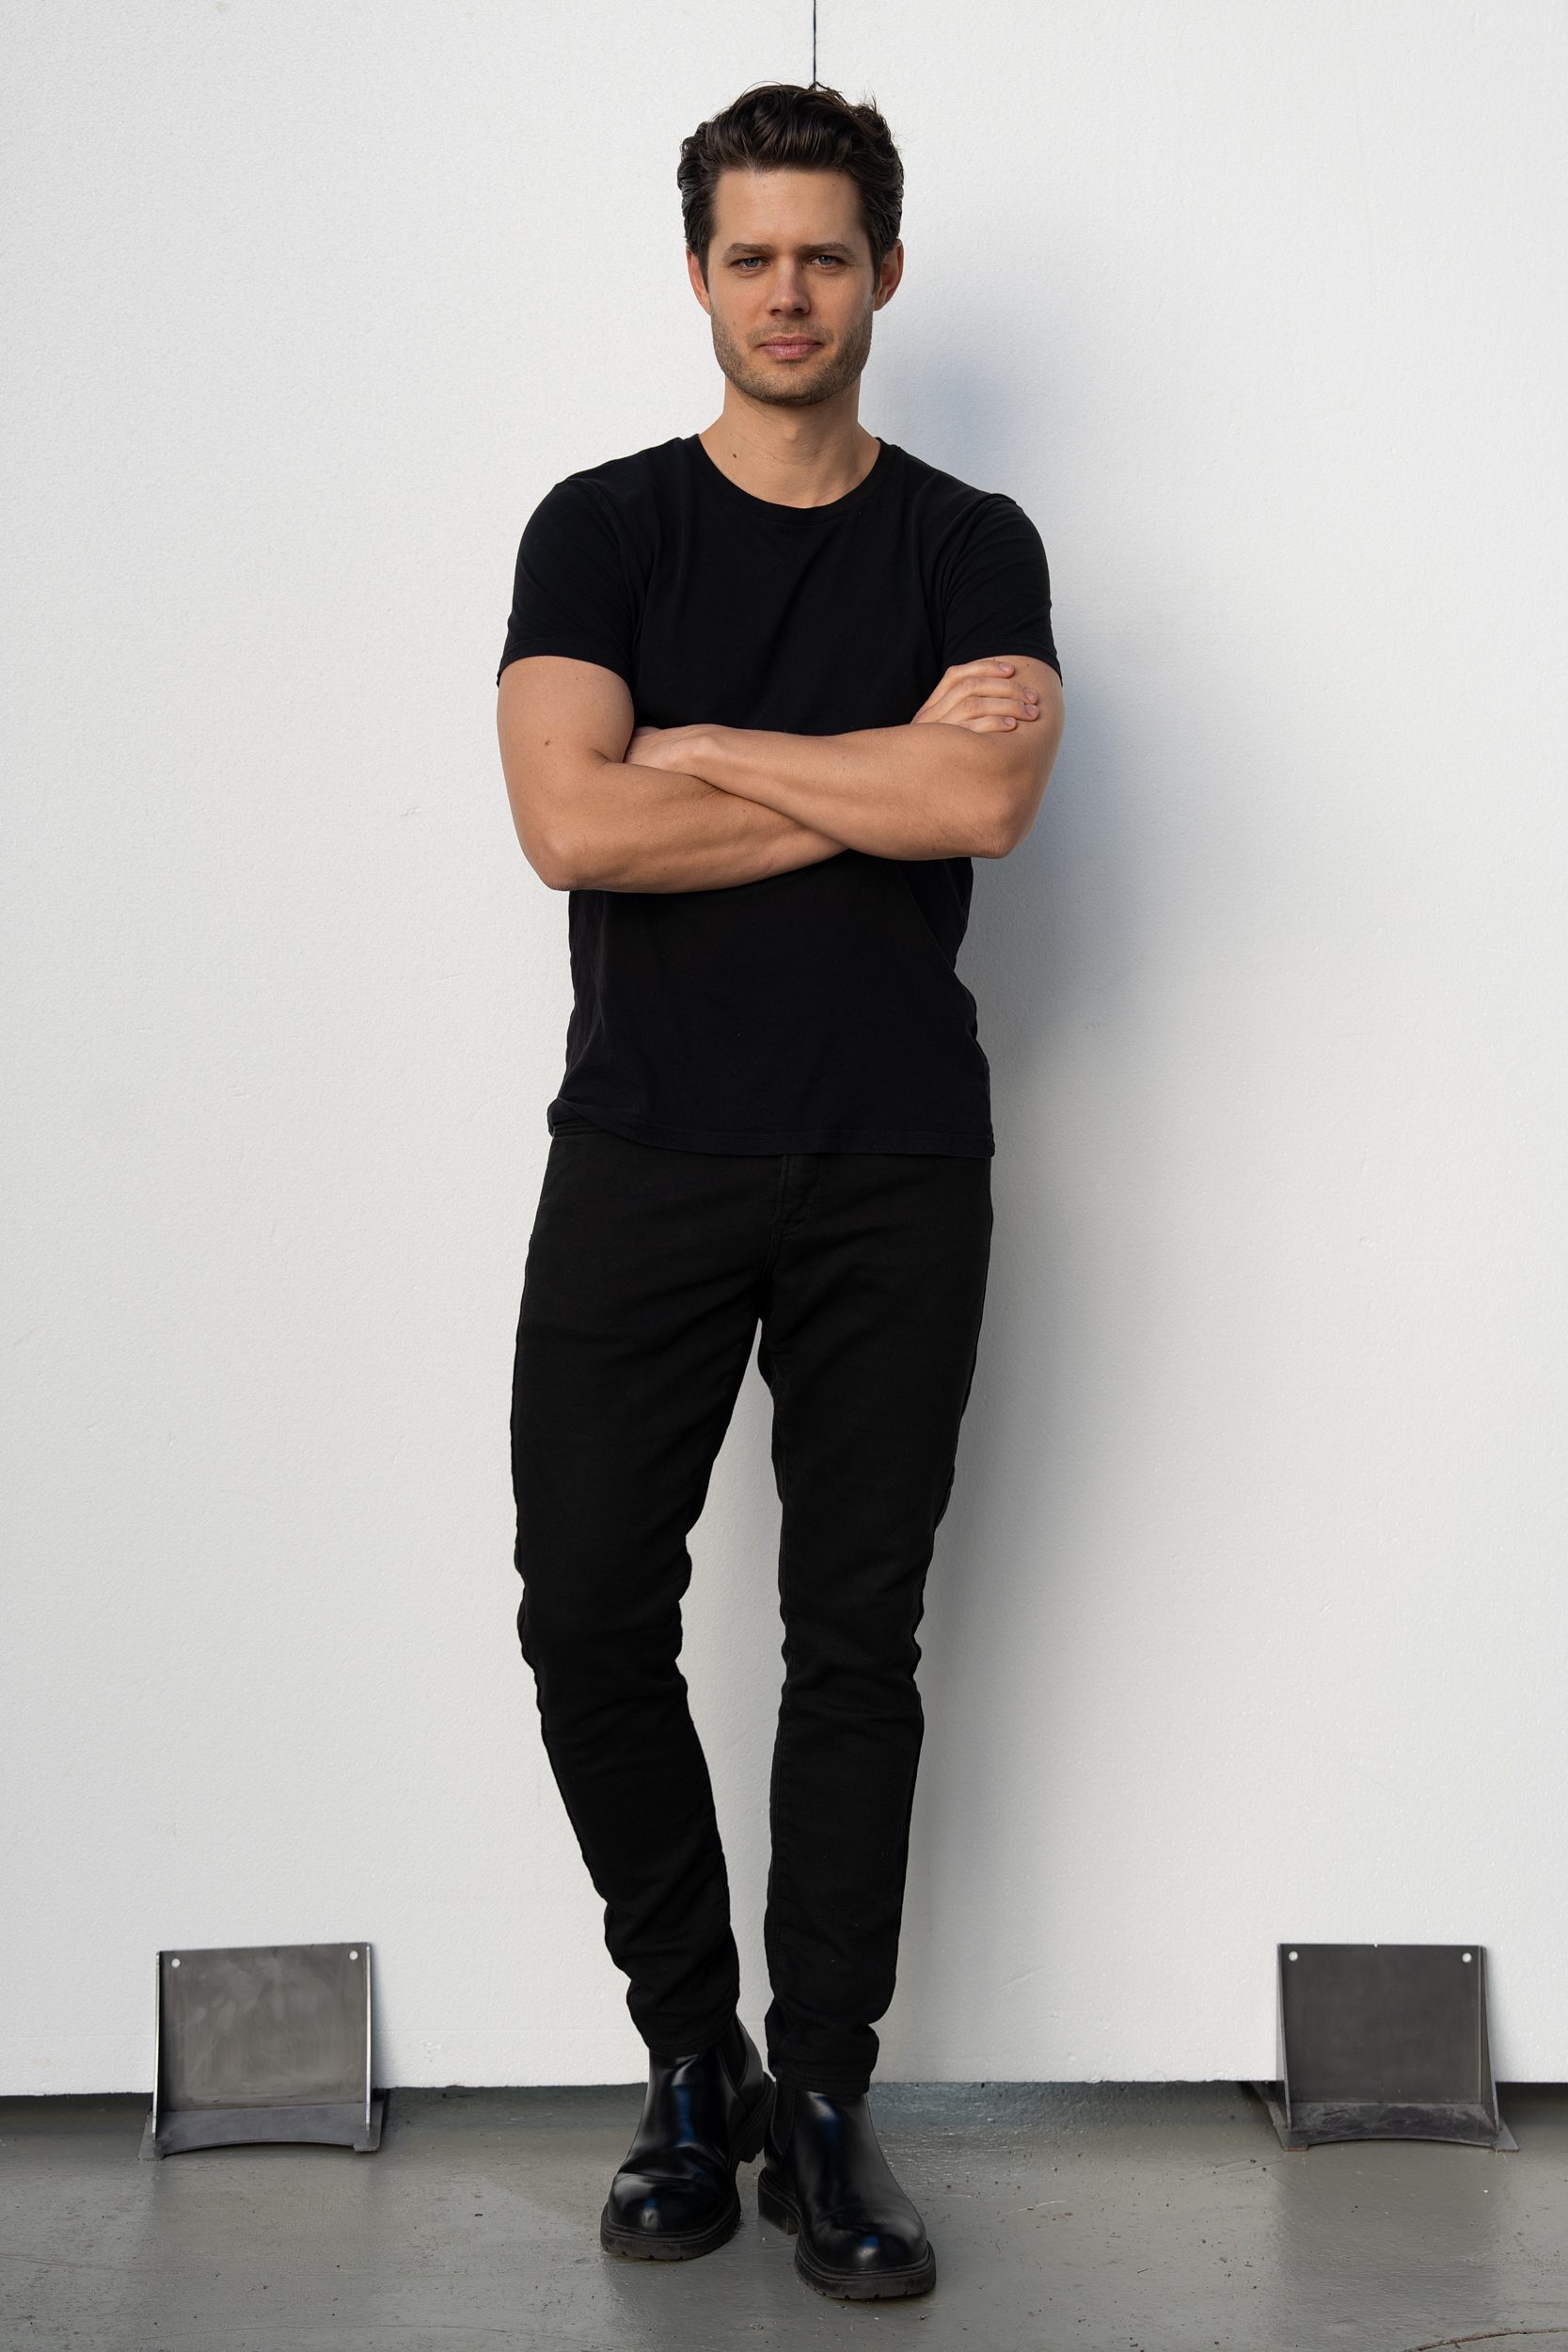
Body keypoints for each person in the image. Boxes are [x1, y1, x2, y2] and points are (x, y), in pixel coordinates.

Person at [494, 79, 1063, 2304]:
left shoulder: (970, 541)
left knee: (854, 1638)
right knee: (585, 1609)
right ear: (701, 275)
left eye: (827, 254)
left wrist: (707, 744)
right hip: (646, 1147)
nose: (791, 291)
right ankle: (689, 2053)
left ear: (885, 272)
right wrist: (877, 774)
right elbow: (571, 824)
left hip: (896, 1161)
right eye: (754, 256)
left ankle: (823, 2097)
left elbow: (985, 810)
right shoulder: (602, 529)